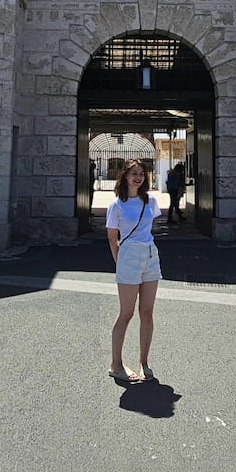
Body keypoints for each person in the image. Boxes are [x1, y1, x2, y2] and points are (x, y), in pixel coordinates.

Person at [106, 160, 162, 382]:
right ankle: (116, 364)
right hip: (128, 257)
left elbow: (149, 228)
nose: (138, 177)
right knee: (126, 313)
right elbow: (112, 238)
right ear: (125, 177)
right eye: (134, 174)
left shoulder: (151, 201)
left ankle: (144, 362)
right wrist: (120, 262)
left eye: (141, 174)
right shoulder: (117, 205)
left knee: (147, 311)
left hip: (150, 255)